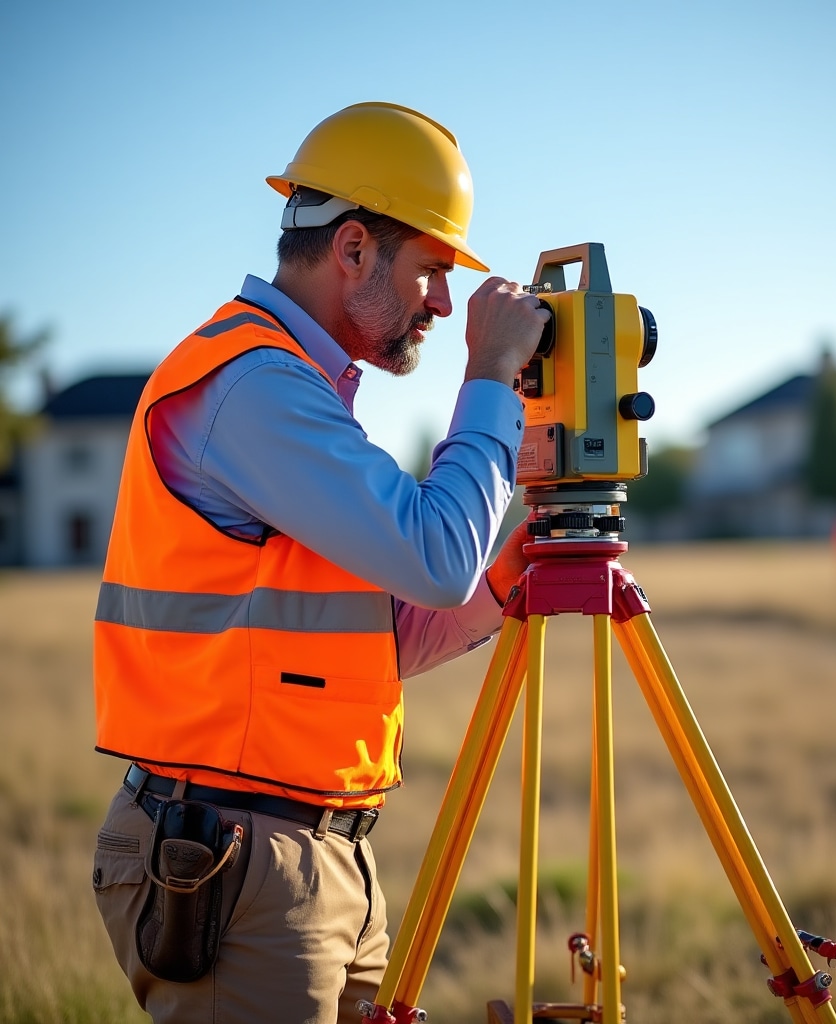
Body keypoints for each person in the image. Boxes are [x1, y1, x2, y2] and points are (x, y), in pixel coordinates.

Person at [91, 101, 549, 1024]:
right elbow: (434, 555)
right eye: (430, 270)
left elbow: (377, 638)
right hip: (230, 859)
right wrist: (490, 379)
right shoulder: (252, 386)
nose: (443, 305)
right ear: (351, 248)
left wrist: (517, 569)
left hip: (319, 855)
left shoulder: (302, 392)